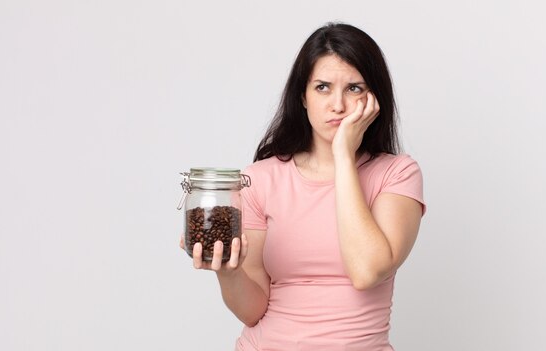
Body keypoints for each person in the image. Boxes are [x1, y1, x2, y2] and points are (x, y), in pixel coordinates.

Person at [182, 22, 425, 350]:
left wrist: (343, 155)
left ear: (374, 99)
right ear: (303, 96)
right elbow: (253, 311)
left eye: (354, 88)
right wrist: (228, 272)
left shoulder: (396, 174)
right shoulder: (260, 178)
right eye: (323, 87)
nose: (337, 105)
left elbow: (367, 271)